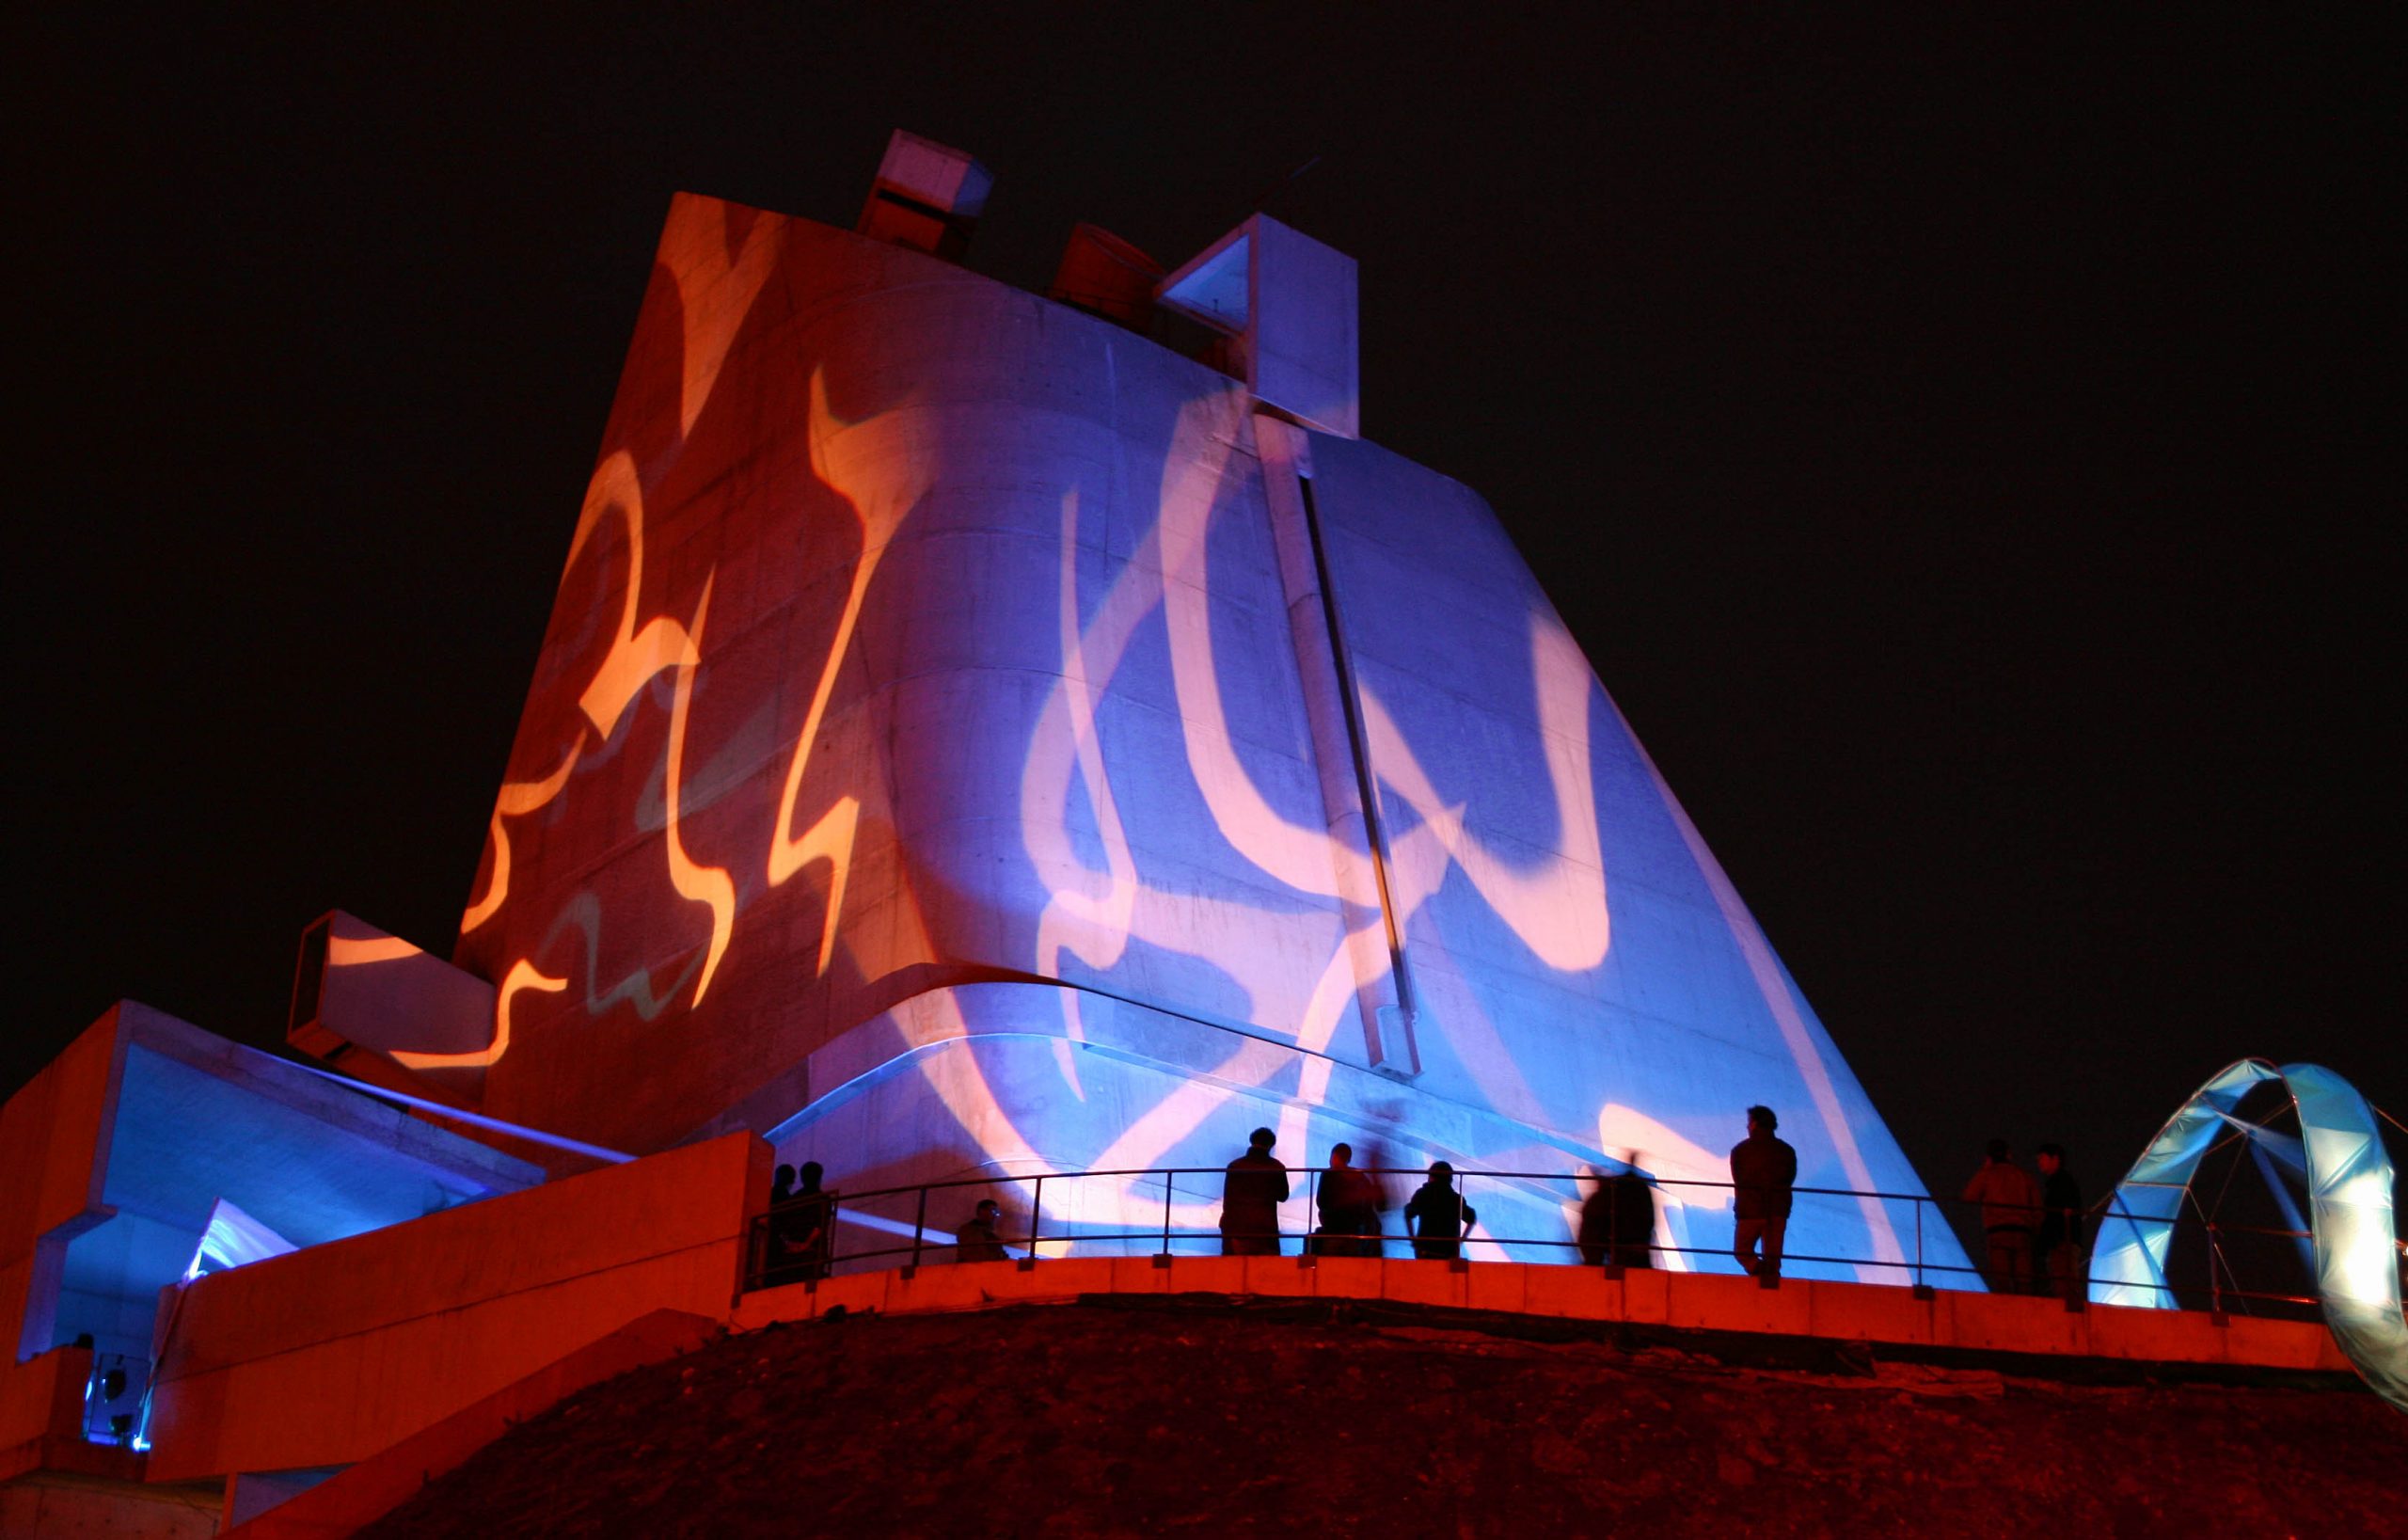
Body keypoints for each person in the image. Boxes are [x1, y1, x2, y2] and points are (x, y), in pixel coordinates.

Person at [1962, 1139, 2044, 1294]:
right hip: (2022, 1232)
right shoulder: (2023, 1176)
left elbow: (1969, 1196)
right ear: (2009, 1155)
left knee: (2002, 1280)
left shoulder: (1987, 1175)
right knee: (2024, 1280)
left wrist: (1984, 1169)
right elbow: (2038, 1207)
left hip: (1997, 1232)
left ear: (1989, 1157)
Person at [1730, 1106, 1798, 1280]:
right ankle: (1771, 1282)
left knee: (1742, 1251)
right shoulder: (1786, 1151)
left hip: (1750, 1211)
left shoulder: (1740, 1151)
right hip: (1777, 1210)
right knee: (1773, 1257)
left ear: (1754, 1124)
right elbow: (1789, 1178)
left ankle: (1760, 1272)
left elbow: (1739, 1179)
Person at [1221, 1127, 1291, 1256]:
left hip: (1237, 1229)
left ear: (1251, 1141)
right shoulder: (1276, 1167)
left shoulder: (1235, 1165)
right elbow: (1283, 1195)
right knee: (1266, 1270)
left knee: (1233, 1269)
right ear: (1270, 1145)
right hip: (1265, 1229)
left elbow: (1228, 1199)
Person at [2034, 1143, 2084, 1299]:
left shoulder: (2059, 1183)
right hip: (2064, 1240)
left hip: (2062, 1242)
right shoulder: (2062, 1182)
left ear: (2055, 1159)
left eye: (2042, 1158)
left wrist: (2045, 1241)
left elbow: (2055, 1216)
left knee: (2064, 1282)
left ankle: (2072, 1315)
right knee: (2065, 1282)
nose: (2039, 1162)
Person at [1316, 1142, 1382, 1258]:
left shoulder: (1328, 1175)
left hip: (1332, 1230)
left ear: (1335, 1157)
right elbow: (1368, 1203)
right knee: (1351, 1265)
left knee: (1329, 1265)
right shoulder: (1358, 1175)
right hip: (1353, 1231)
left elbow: (1321, 1202)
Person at [1404, 1161, 1478, 1261]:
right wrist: (1459, 1242)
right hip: (1449, 1252)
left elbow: (1408, 1213)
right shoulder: (1455, 1199)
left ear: (1431, 1176)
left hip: (1425, 1251)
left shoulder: (1423, 1194)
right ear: (1450, 1178)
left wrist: (1413, 1240)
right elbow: (1471, 1218)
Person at [955, 1198, 1010, 1263]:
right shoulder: (969, 1230)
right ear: (982, 1211)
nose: (994, 1216)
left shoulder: (990, 1234)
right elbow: (975, 1256)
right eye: (993, 1211)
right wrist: (997, 1257)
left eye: (996, 1213)